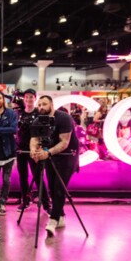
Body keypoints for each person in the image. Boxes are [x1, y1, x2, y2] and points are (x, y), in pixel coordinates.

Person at [30, 95, 79, 237]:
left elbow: (64, 142)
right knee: (52, 186)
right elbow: (34, 139)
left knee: (59, 186)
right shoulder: (39, 120)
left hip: (67, 155)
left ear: (51, 104)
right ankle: (61, 216)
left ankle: (53, 219)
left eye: (44, 104)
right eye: (39, 105)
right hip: (50, 155)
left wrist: (47, 153)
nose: (41, 107)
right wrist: (34, 151)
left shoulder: (63, 118)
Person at [16, 89, 50, 212]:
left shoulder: (39, 113)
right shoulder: (19, 113)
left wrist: (41, 148)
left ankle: (46, 204)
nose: (29, 99)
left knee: (38, 177)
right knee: (23, 177)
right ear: (24, 99)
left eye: (31, 97)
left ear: (35, 98)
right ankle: (25, 200)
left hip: (35, 150)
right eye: (27, 97)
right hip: (21, 150)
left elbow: (44, 133)